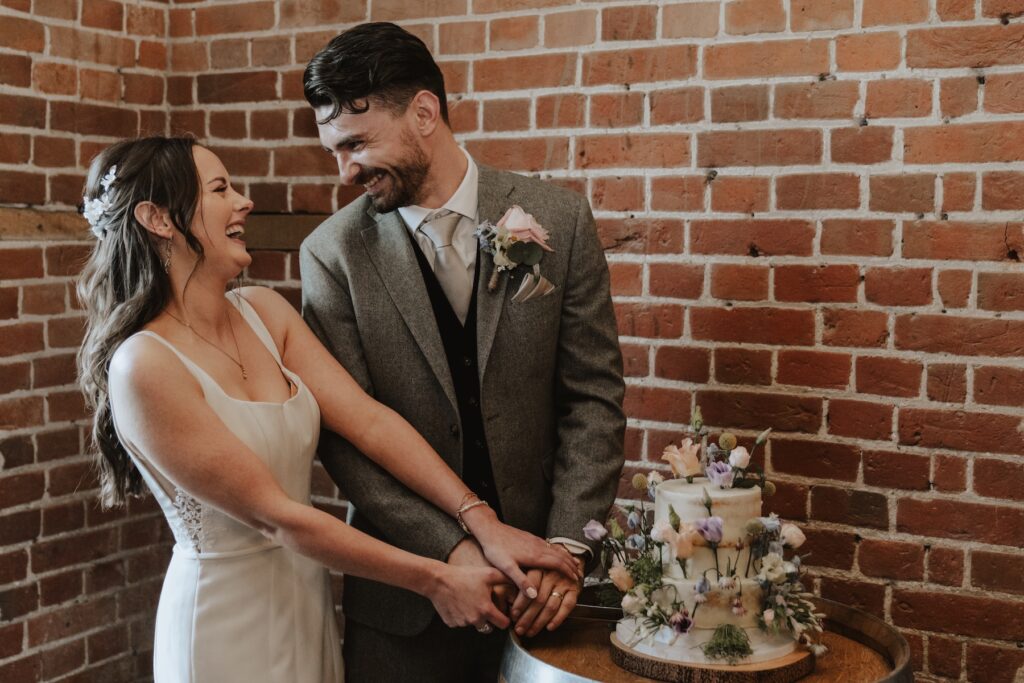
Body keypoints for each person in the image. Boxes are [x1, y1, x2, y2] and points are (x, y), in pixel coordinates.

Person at [75, 136, 580, 683]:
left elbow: (368, 421)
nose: (244, 202)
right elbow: (278, 516)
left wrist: (479, 520)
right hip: (223, 622)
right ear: (157, 218)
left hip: (306, 598)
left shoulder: (265, 312)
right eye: (221, 189)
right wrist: (436, 577)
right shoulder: (143, 365)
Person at [301, 22, 626, 681]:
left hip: (552, 598)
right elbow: (345, 439)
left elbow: (592, 397)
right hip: (409, 609)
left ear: (425, 112)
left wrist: (566, 550)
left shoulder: (558, 220)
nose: (346, 171)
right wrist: (451, 550)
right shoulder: (330, 255)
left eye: (357, 143)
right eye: (335, 150)